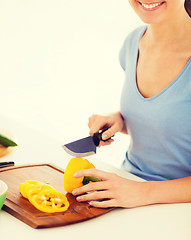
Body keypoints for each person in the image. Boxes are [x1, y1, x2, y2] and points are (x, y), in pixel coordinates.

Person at [72, 0, 191, 208]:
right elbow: (173, 123)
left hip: (178, 209)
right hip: (126, 190)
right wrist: (120, 120)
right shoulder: (134, 42)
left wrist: (142, 192)